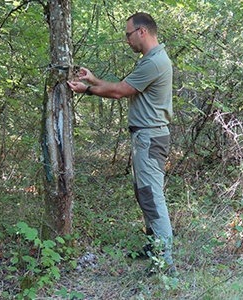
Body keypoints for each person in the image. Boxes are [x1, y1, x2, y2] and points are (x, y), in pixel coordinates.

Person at [67, 12, 174, 271]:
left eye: (127, 34)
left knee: (151, 197)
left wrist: (88, 90)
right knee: (144, 194)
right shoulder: (150, 59)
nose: (126, 40)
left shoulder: (154, 61)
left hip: (150, 137)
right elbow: (124, 86)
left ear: (142, 32)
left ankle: (165, 264)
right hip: (145, 137)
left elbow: (118, 92)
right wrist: (93, 80)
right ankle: (155, 248)